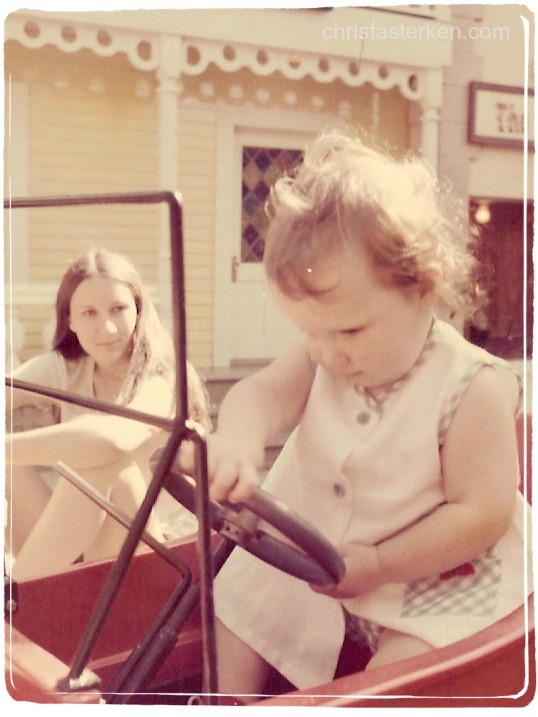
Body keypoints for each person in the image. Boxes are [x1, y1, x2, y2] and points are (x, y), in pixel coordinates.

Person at [193, 130, 530, 699]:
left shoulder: (471, 386)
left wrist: (379, 562)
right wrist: (239, 441)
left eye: (349, 330)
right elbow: (263, 392)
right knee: (234, 602)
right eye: (310, 332)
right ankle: (229, 701)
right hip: (322, 561)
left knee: (393, 683)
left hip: (438, 577)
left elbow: (483, 513)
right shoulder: (321, 355)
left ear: (421, 290)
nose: (326, 352)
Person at [5, 248, 210, 581]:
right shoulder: (67, 368)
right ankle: (28, 599)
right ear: (69, 319)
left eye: (118, 309)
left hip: (158, 559)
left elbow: (111, 438)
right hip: (79, 546)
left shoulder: (161, 376)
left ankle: (14, 603)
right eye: (89, 313)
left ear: (139, 311)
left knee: (108, 464)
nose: (108, 327)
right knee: (10, 470)